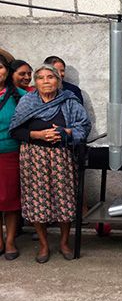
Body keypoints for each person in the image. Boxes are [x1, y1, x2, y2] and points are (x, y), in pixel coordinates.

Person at [9, 64, 91, 263]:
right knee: (37, 200)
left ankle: (64, 242)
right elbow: (15, 131)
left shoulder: (69, 101)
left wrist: (67, 132)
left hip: (62, 157)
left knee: (65, 201)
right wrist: (38, 134)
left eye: (50, 77)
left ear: (58, 81)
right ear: (35, 83)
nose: (46, 81)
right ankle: (44, 245)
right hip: (34, 158)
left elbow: (84, 126)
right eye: (41, 78)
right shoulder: (27, 102)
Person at [0, 55, 26, 260]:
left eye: (0, 67)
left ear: (7, 71)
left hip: (10, 153)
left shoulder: (21, 96)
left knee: (10, 199)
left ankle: (10, 241)